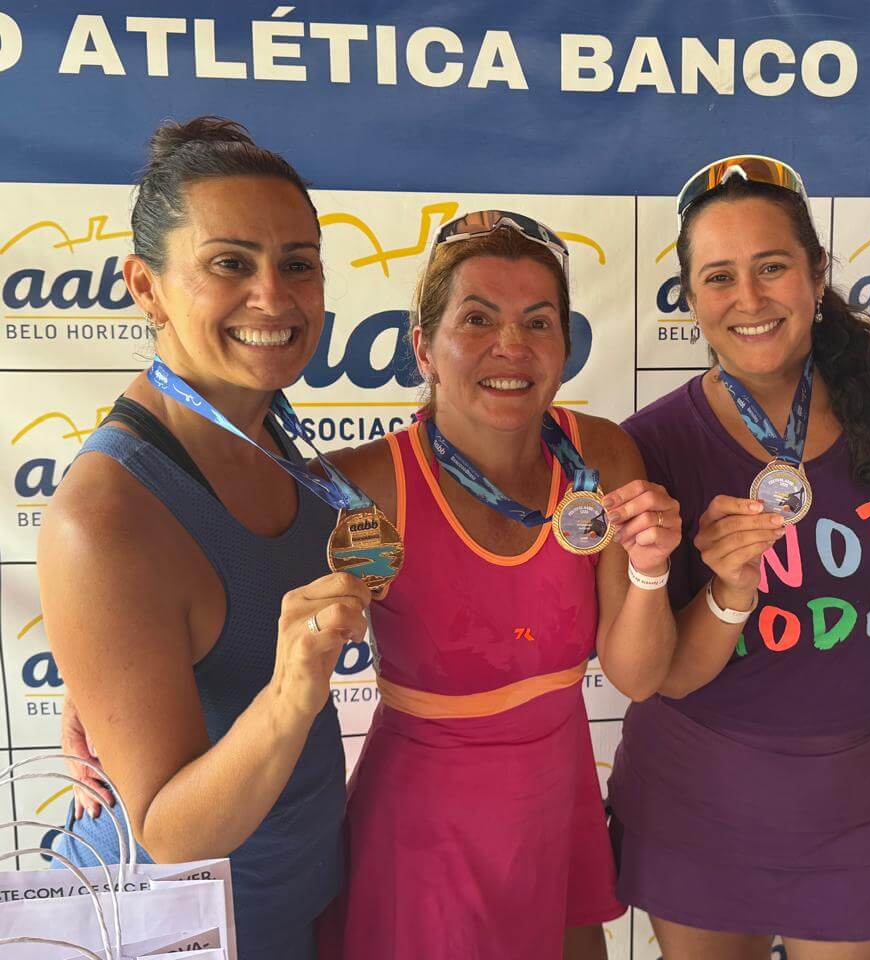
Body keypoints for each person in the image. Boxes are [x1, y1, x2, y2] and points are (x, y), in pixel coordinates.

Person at [606, 156, 870, 960]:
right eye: (719, 277)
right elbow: (664, 677)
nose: (750, 299)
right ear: (691, 296)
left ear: (817, 273)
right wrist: (728, 588)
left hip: (864, 807)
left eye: (772, 267)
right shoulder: (648, 446)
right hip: (698, 805)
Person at [39, 117, 368, 960]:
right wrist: (291, 691)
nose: (274, 296)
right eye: (230, 263)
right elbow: (169, 833)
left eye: (298, 263)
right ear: (145, 287)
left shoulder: (271, 432)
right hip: (183, 932)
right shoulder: (104, 516)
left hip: (302, 898)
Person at [316, 210, 681, 960]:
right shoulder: (370, 486)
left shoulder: (600, 456)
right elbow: (249, 612)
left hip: (557, 807)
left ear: (565, 348)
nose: (511, 346)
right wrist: (104, 704)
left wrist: (651, 567)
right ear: (424, 346)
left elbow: (638, 676)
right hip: (423, 830)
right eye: (477, 319)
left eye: (537, 322)